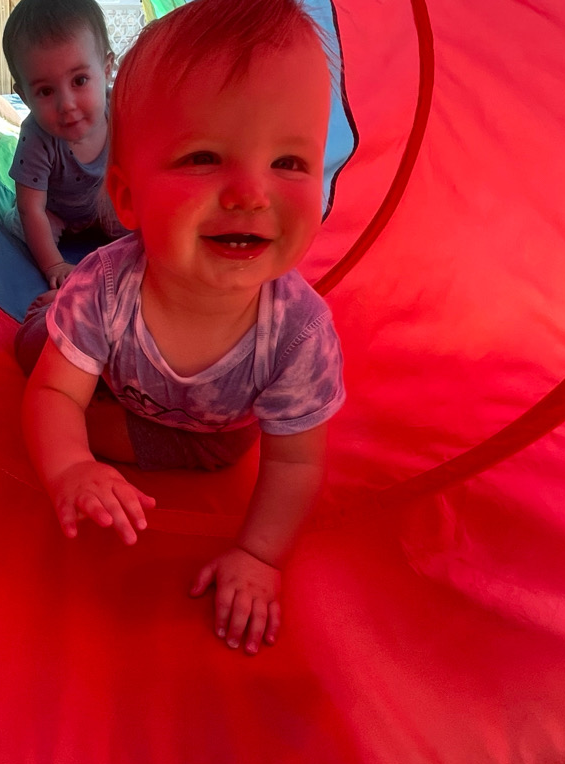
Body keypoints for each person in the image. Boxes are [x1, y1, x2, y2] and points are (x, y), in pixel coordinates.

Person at [19, 0, 345, 655]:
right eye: (203, 157)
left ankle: (96, 391)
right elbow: (53, 397)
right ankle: (57, 338)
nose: (251, 192)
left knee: (221, 454)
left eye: (289, 163)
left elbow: (295, 459)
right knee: (37, 358)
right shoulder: (108, 285)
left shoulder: (298, 334)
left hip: (209, 430)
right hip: (105, 355)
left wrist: (259, 554)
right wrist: (70, 468)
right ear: (128, 198)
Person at [2, 0, 123, 290]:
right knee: (23, 228)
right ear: (24, 95)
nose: (66, 105)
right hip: (54, 212)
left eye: (80, 80)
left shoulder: (121, 109)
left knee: (137, 225)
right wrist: (54, 264)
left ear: (106, 70)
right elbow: (32, 208)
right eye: (45, 91)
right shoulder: (36, 136)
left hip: (103, 205)